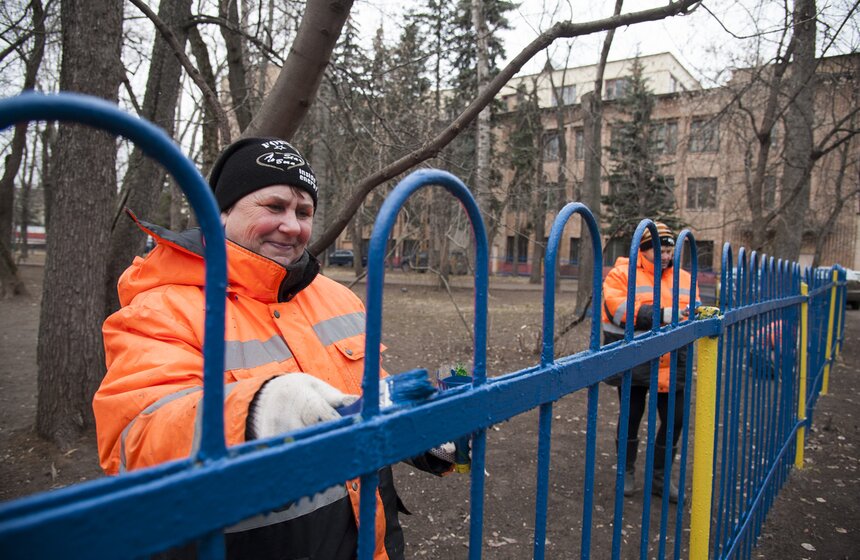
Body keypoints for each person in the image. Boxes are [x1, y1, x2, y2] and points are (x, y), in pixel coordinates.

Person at [93, 137, 450, 560]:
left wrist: (426, 426)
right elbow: (136, 438)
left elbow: (365, 395)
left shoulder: (336, 297)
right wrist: (255, 412)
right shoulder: (161, 308)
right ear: (222, 212)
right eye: (274, 206)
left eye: (303, 212)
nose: (292, 226)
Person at [601, 222, 695, 504]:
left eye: (669, 251)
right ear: (643, 250)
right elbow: (618, 311)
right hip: (635, 359)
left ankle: (660, 478)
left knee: (675, 419)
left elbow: (692, 310)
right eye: (660, 251)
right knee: (631, 416)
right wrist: (664, 315)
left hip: (673, 360)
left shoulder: (684, 278)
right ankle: (626, 471)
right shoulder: (621, 274)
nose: (666, 256)